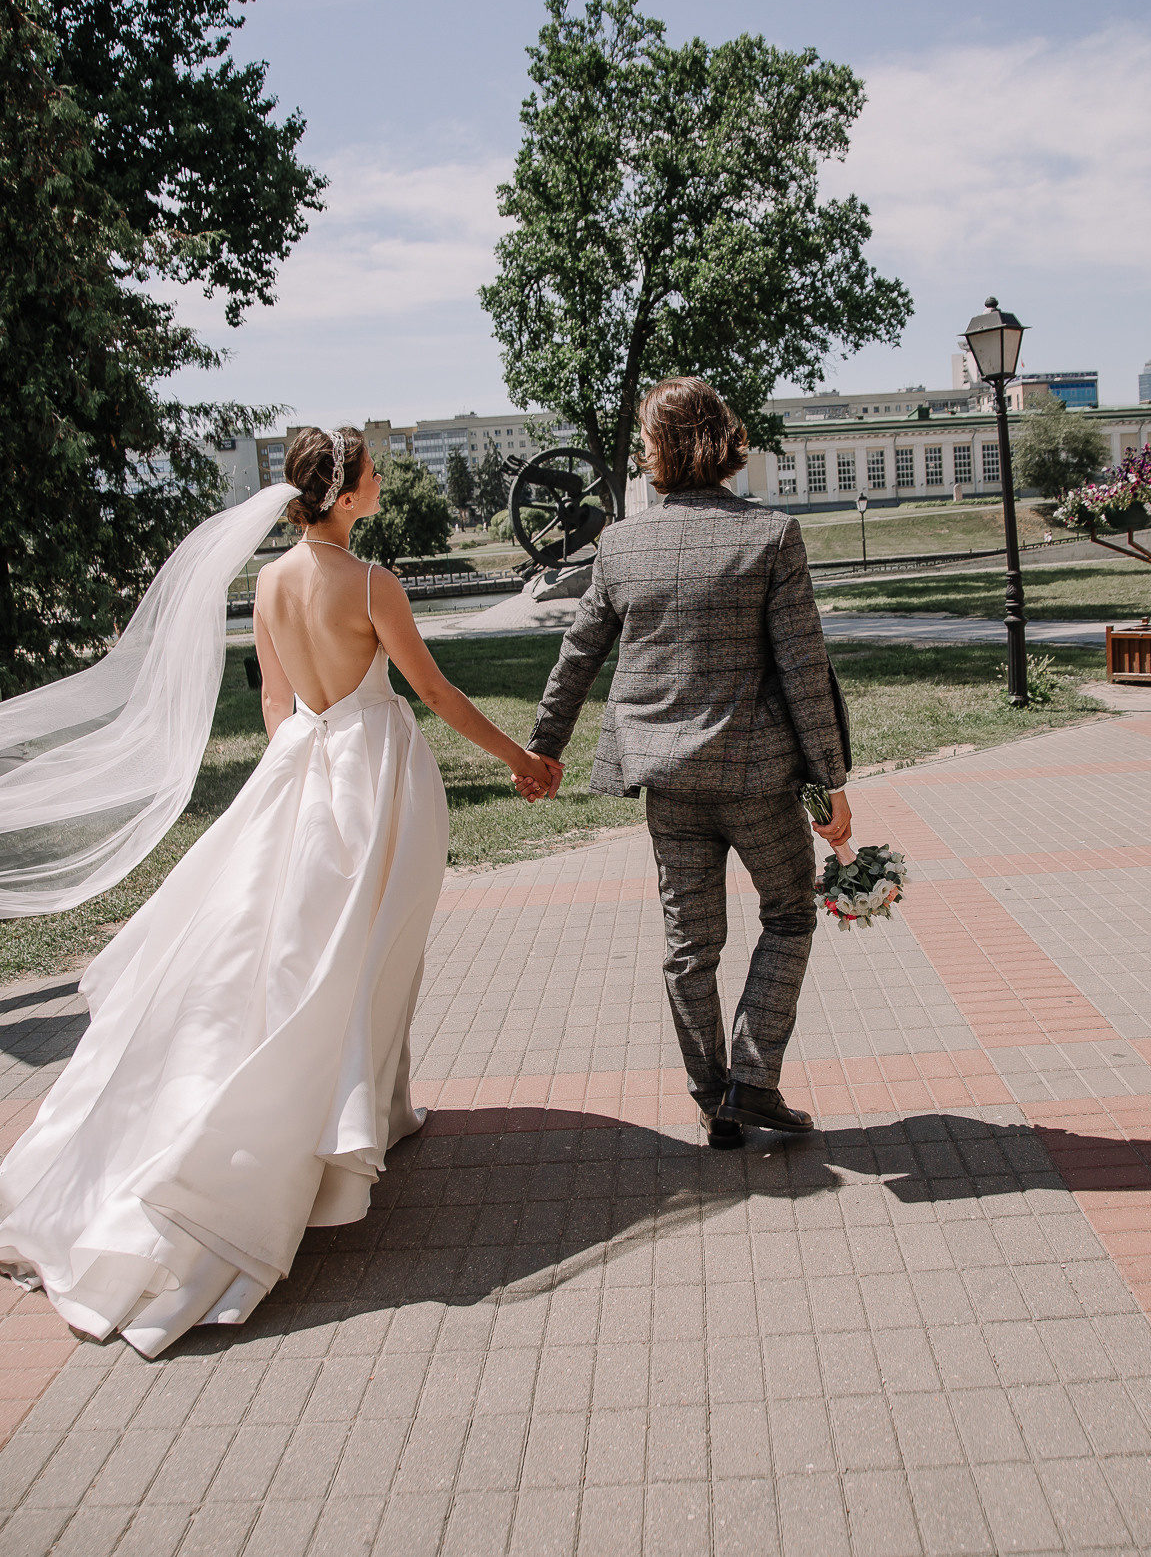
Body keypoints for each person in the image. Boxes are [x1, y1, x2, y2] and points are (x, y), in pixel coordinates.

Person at [0, 427, 559, 1355]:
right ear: (342, 495)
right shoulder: (372, 583)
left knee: (292, 956)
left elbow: (274, 702)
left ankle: (378, 1111)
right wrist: (522, 761)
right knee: (366, 953)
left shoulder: (265, 582)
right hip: (372, 779)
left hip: (300, 770)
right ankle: (315, 1137)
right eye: (374, 473)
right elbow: (434, 692)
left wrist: (294, 779)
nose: (383, 482)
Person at [525, 378, 851, 1149]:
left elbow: (578, 655)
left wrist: (544, 745)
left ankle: (714, 1098)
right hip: (755, 781)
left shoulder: (620, 543)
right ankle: (752, 1077)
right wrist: (829, 781)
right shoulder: (771, 536)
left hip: (666, 782)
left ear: (656, 451)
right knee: (791, 913)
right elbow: (803, 669)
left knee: (688, 946)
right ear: (723, 439)